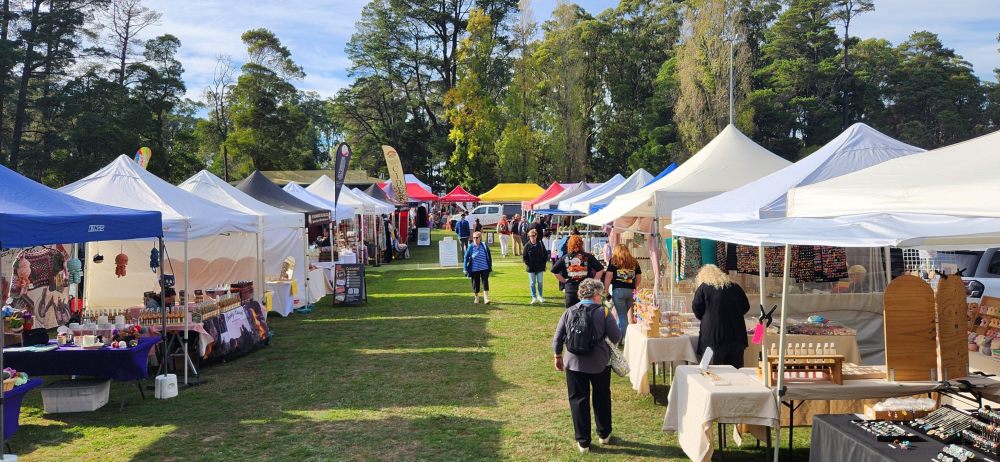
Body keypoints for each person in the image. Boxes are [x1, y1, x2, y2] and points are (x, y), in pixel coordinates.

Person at [552, 278, 621, 453]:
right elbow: (616, 336)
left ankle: (583, 442)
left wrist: (557, 355)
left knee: (578, 400)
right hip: (600, 363)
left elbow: (558, 336)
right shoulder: (603, 313)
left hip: (574, 363)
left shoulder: (569, 311)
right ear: (596, 294)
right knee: (602, 397)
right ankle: (604, 434)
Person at [692, 264, 750, 368]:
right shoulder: (735, 287)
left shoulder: (703, 288)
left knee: (713, 373)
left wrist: (709, 317)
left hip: (714, 338)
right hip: (736, 337)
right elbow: (745, 307)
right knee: (736, 373)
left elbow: (697, 310)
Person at [552, 235, 604, 307]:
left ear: (569, 244)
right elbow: (600, 269)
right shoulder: (588, 256)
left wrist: (564, 280)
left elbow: (554, 271)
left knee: (571, 314)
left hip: (571, 290)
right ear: (581, 244)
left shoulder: (565, 257)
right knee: (585, 314)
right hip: (586, 290)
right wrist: (593, 281)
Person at [603, 244, 642, 339]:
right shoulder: (634, 262)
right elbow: (639, 278)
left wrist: (606, 290)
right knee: (623, 314)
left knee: (622, 315)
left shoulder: (614, 261)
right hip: (631, 292)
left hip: (618, 291)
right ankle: (619, 336)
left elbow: (608, 277)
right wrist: (633, 287)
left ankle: (624, 338)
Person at [463, 231, 493, 304]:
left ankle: (486, 298)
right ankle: (476, 297)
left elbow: (489, 256)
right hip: (474, 269)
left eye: (476, 238)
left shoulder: (484, 245)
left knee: (485, 282)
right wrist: (465, 269)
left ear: (480, 238)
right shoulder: (471, 246)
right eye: (473, 238)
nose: (475, 239)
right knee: (475, 283)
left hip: (484, 268)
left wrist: (490, 266)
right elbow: (466, 257)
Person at [523, 229, 548, 304]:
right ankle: (534, 297)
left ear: (536, 236)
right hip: (531, 268)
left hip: (540, 267)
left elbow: (545, 255)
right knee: (532, 283)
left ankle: (540, 296)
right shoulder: (527, 245)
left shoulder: (540, 243)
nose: (532, 237)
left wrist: (543, 264)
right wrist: (529, 264)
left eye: (533, 236)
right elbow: (524, 257)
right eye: (530, 236)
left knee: (540, 282)